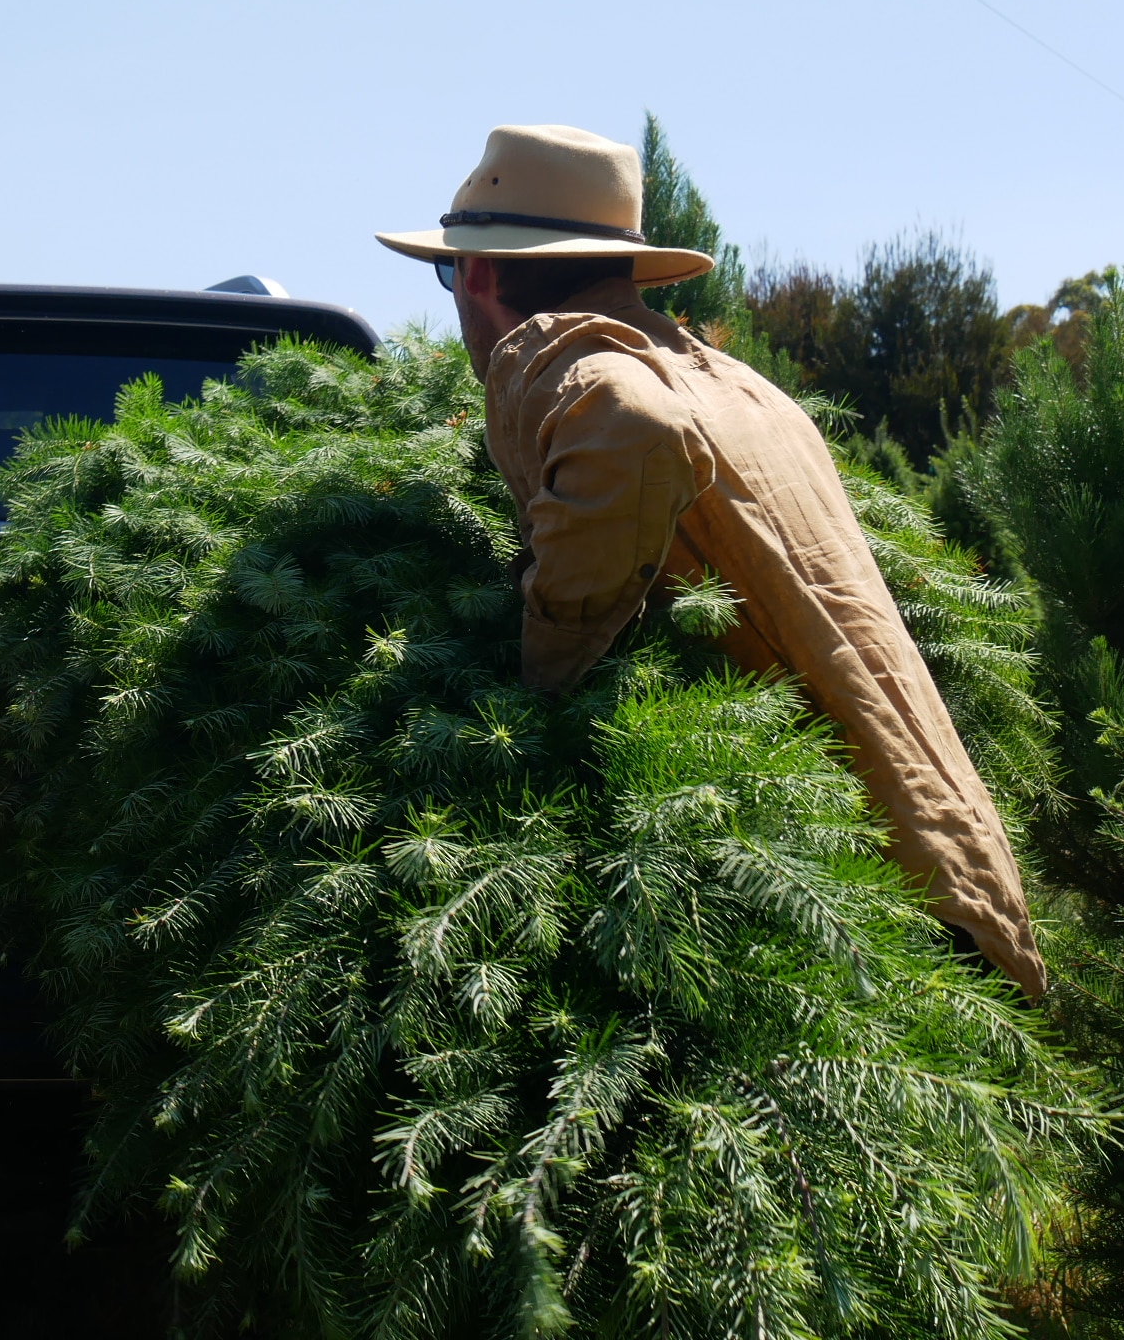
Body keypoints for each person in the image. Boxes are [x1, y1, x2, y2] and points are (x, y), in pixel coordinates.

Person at [376, 123, 1044, 996]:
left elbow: (633, 429)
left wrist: (541, 682)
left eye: (447, 273)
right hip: (945, 865)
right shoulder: (730, 380)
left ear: (483, 274)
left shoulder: (565, 356)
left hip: (851, 902)